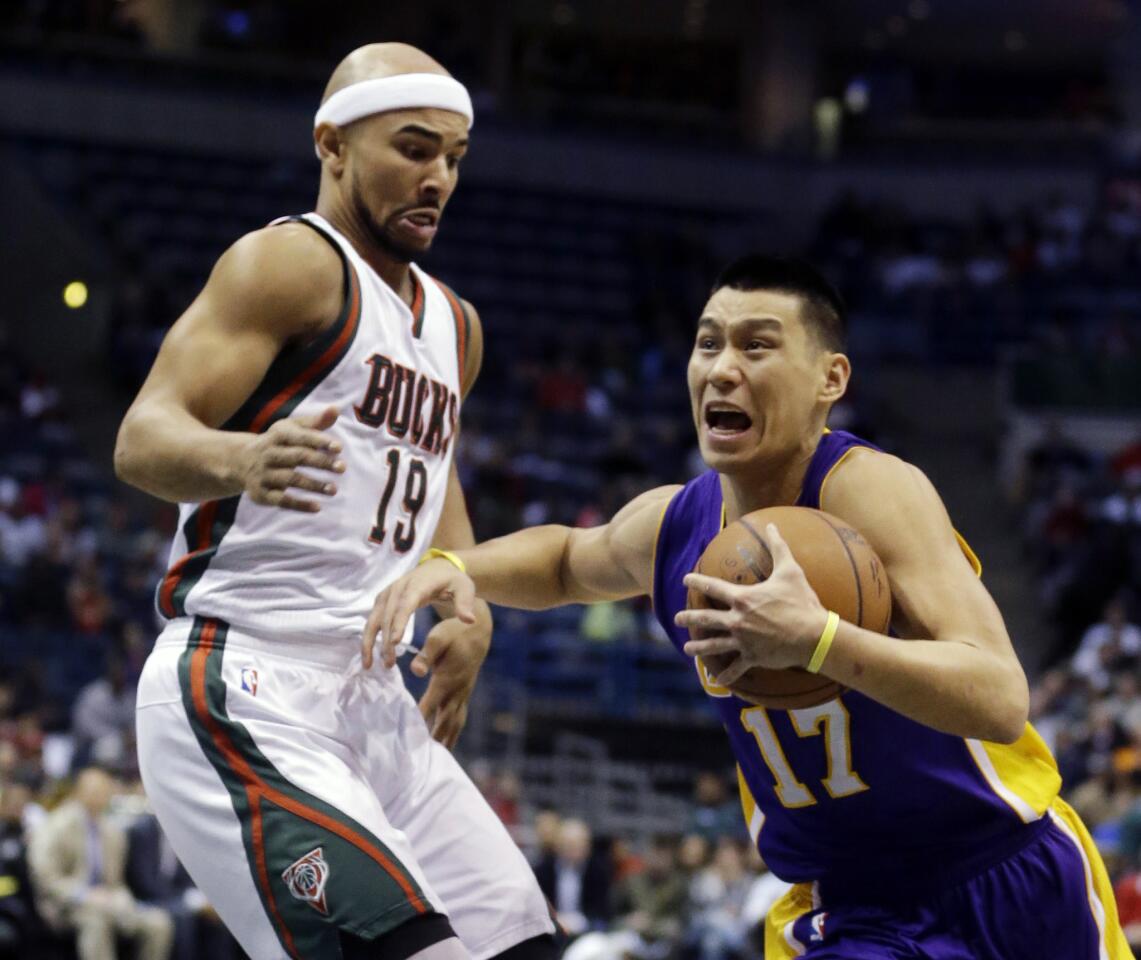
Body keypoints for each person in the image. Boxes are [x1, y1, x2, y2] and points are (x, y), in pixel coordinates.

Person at [369, 255, 1131, 959]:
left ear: (829, 378)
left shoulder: (868, 491)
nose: (721, 369)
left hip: (1008, 872)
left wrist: (818, 640)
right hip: (858, 913)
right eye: (708, 345)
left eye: (756, 347)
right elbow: (567, 561)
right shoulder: (675, 525)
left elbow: (998, 698)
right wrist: (453, 566)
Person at [114, 42, 555, 960]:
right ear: (333, 144)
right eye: (413, 147)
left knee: (527, 945)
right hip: (246, 680)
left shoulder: (454, 325)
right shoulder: (290, 264)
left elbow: (434, 482)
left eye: (454, 157)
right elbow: (143, 437)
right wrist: (239, 458)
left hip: (373, 700)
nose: (436, 177)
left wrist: (462, 597)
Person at [26, 767, 173, 960]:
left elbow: (116, 881)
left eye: (104, 792)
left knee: (158, 922)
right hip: (66, 905)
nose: (99, 797)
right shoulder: (55, 826)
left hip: (108, 902)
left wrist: (121, 898)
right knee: (96, 921)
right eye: (94, 791)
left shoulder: (112, 831)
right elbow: (46, 878)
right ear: (78, 792)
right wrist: (84, 895)